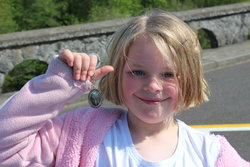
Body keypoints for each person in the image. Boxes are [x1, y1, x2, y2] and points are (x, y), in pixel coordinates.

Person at [0, 9, 249, 167]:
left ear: (191, 78)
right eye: (137, 72)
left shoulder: (213, 154)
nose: (153, 85)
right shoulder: (79, 133)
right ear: (118, 74)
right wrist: (57, 85)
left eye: (168, 74)